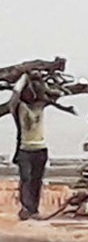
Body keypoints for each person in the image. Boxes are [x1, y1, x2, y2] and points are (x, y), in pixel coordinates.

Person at [8, 73, 51, 220]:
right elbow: (14, 96)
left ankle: (34, 209)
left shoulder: (41, 105)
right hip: (25, 149)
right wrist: (24, 77)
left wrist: (37, 78)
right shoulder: (19, 107)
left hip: (40, 148)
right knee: (26, 179)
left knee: (36, 181)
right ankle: (26, 208)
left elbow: (48, 92)